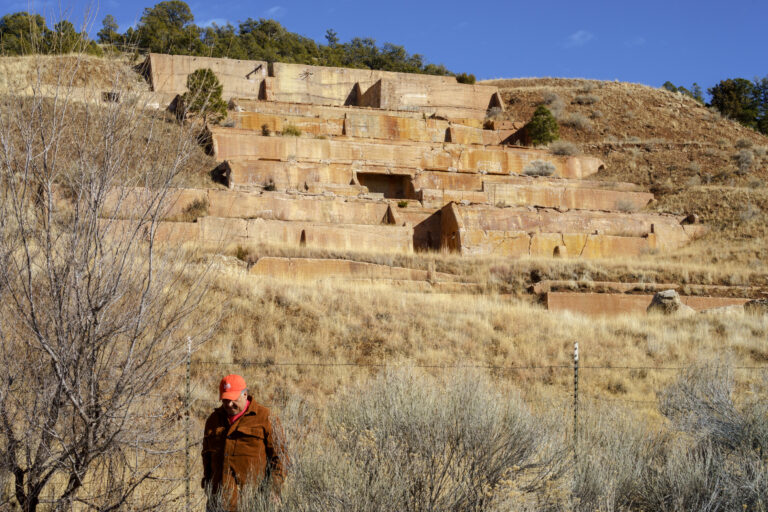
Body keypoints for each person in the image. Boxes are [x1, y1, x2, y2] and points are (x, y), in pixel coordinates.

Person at [202, 374, 287, 510]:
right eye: (225, 400)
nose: (228, 404)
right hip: (218, 504)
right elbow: (206, 456)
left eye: (233, 399)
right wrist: (207, 485)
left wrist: (274, 488)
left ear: (245, 395)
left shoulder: (265, 418)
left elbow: (281, 458)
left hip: (253, 504)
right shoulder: (213, 420)